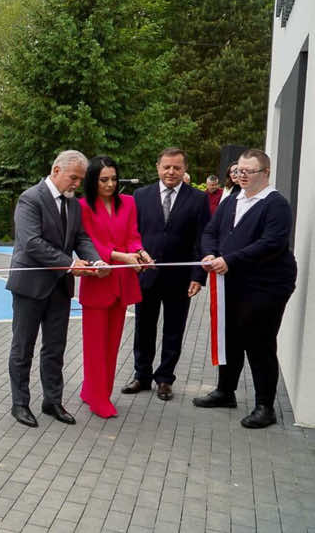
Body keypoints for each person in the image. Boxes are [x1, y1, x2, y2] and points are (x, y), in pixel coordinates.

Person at [195, 150, 297, 428]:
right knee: (229, 336)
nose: (241, 176)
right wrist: (209, 254)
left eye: (248, 171)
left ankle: (265, 406)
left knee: (259, 342)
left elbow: (271, 243)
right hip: (232, 281)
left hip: (266, 285)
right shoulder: (232, 200)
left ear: (265, 173)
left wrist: (229, 260)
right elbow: (210, 232)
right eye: (238, 170)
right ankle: (225, 391)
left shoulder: (276, 205)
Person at [6, 150, 106, 428]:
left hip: (60, 288)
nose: (77, 184)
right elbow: (31, 243)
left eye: (80, 179)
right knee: (23, 348)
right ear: (56, 171)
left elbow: (81, 237)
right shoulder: (30, 198)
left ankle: (52, 401)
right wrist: (70, 264)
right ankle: (20, 404)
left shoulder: (73, 204)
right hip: (30, 286)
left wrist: (95, 259)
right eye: (73, 178)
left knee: (55, 348)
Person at [124, 148, 210, 401]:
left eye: (177, 167)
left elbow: (202, 239)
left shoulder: (198, 199)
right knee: (143, 328)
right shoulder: (140, 196)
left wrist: (198, 276)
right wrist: (135, 259)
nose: (171, 172)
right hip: (146, 275)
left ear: (185, 169)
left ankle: (165, 379)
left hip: (179, 278)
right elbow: (132, 234)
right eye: (166, 167)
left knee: (174, 329)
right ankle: (142, 375)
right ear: (158, 167)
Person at [78, 156, 151, 418]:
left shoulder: (128, 203)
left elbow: (133, 236)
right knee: (95, 347)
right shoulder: (83, 206)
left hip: (122, 282)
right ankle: (99, 398)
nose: (110, 184)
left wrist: (140, 253)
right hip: (98, 282)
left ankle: (93, 391)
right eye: (104, 180)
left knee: (111, 345)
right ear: (92, 181)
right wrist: (123, 257)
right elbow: (90, 243)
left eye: (114, 179)